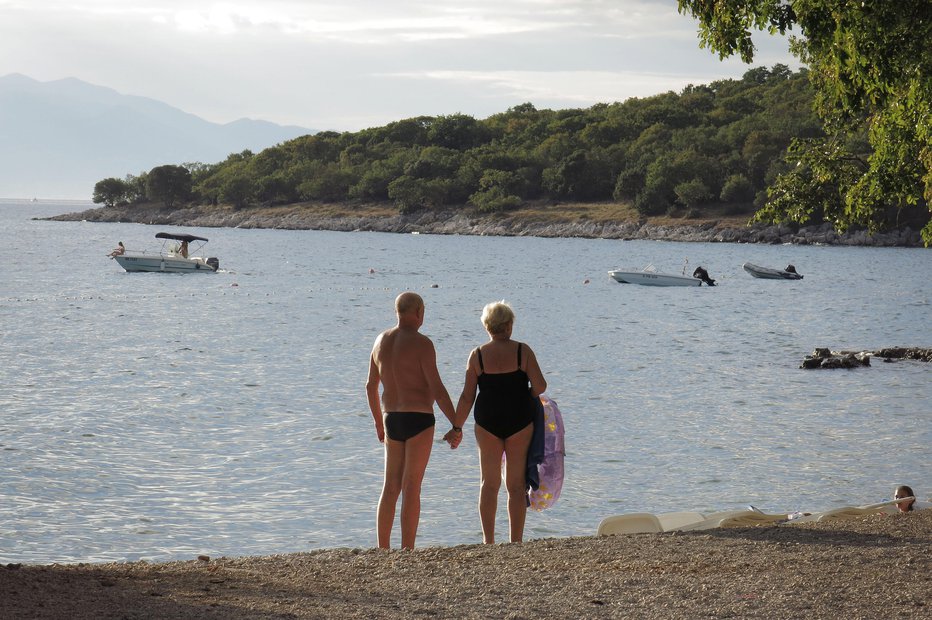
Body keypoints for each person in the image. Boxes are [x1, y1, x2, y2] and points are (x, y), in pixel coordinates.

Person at [366, 291, 460, 549]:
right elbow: (437, 389)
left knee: (390, 487)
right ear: (419, 312)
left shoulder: (380, 341)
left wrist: (377, 421)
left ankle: (382, 548)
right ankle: (407, 549)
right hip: (418, 417)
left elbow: (370, 386)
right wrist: (456, 424)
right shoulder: (423, 344)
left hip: (391, 418)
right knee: (411, 486)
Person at [452, 301, 547, 543]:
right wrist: (528, 395)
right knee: (515, 486)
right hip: (519, 420)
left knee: (488, 483)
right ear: (509, 326)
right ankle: (516, 541)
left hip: (487, 422)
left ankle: (488, 541)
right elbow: (540, 386)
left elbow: (466, 396)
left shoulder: (477, 355)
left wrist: (456, 426)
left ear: (487, 327)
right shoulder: (522, 351)